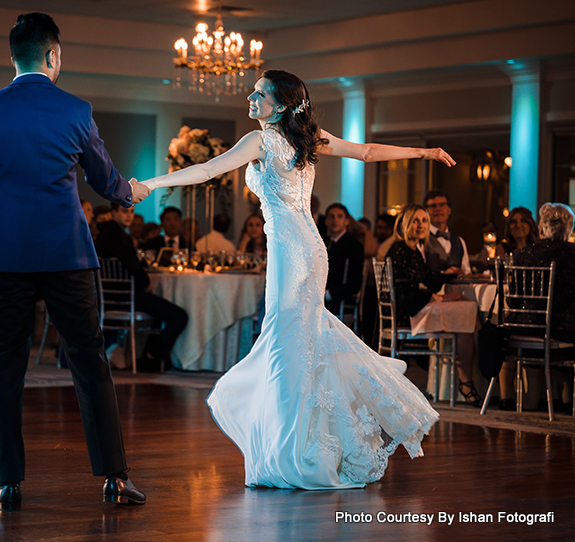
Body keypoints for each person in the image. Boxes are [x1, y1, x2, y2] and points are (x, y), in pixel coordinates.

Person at [141, 69, 451, 489]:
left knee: (288, 344)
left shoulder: (262, 140)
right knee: (301, 344)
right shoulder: (309, 137)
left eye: (260, 94)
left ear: (282, 105)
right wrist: (423, 154)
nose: (250, 98)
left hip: (291, 252)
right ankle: (306, 447)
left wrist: (150, 183)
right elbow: (368, 152)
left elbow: (206, 172)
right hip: (311, 249)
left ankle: (296, 454)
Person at [0, 12, 149, 509]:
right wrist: (131, 192)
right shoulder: (76, 110)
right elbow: (105, 181)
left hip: (5, 257)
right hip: (68, 256)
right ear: (53, 55)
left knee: (6, 366)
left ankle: (7, 482)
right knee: (89, 363)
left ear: (12, 58)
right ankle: (115, 479)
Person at [385, 204, 482, 406]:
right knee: (467, 316)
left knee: (466, 313)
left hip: (414, 309)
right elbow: (405, 293)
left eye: (424, 221)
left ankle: (467, 382)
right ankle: (468, 383)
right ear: (405, 223)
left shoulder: (412, 249)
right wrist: (437, 298)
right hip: (407, 314)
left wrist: (451, 275)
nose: (421, 225)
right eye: (415, 220)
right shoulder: (400, 250)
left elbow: (427, 277)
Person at [500, 203, 575, 412]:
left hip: (527, 328)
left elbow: (512, 301)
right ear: (569, 229)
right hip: (566, 330)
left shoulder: (523, 254)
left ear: (541, 227)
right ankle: (567, 401)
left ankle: (507, 399)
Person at [94, 204, 188, 369]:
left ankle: (149, 355)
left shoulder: (109, 232)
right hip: (124, 296)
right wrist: (146, 282)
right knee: (179, 316)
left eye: (131, 212)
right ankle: (153, 355)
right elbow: (132, 265)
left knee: (161, 312)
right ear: (114, 213)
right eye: (124, 211)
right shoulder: (116, 234)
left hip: (109, 296)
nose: (128, 216)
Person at [322, 203, 364, 316]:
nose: (335, 220)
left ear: (347, 221)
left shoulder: (355, 246)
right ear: (326, 221)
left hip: (340, 298)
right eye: (331, 216)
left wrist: (329, 293)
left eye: (339, 216)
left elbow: (355, 281)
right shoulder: (321, 243)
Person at [423, 190, 470, 276]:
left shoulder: (459, 241)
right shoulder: (421, 239)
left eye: (442, 205)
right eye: (433, 206)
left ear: (449, 210)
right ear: (426, 213)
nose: (438, 209)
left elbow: (467, 273)